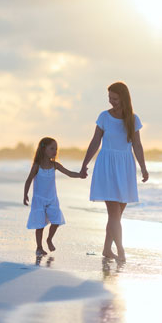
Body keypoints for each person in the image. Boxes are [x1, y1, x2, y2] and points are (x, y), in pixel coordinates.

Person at [81, 82, 149, 262]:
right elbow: (95, 141)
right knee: (113, 213)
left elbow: (137, 145)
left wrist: (143, 167)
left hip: (125, 166)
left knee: (117, 214)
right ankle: (120, 250)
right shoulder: (104, 116)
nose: (111, 101)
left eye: (115, 98)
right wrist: (85, 163)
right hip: (107, 166)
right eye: (110, 98)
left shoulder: (133, 119)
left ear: (124, 98)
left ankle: (106, 249)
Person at [23, 137, 85, 256]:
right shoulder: (37, 166)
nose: (55, 151)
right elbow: (29, 180)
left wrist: (80, 175)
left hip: (52, 199)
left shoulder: (55, 165)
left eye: (56, 149)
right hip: (39, 200)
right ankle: (39, 247)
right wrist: (25, 194)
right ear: (43, 149)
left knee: (56, 221)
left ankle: (49, 239)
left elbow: (69, 173)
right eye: (52, 148)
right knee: (40, 226)